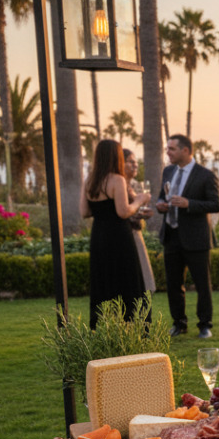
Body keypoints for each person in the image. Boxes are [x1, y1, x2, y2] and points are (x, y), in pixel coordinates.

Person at [155, 134, 219, 339]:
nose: (168, 152)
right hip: (171, 236)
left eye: (172, 149)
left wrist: (189, 204)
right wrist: (160, 205)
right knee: (174, 284)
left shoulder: (205, 175)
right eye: (167, 149)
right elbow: (161, 196)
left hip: (196, 238)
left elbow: (215, 204)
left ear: (185, 150)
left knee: (202, 284)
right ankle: (179, 323)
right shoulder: (168, 171)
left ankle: (204, 325)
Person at [81, 139, 150, 329]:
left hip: (99, 236)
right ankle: (133, 328)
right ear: (116, 156)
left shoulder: (90, 180)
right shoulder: (116, 179)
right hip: (119, 237)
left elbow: (84, 212)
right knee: (127, 281)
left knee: (103, 282)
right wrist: (140, 201)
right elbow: (123, 211)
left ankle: (102, 328)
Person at [122, 148, 156, 293]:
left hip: (136, 232)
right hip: (124, 235)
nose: (136, 165)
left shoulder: (135, 185)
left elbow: (134, 209)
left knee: (143, 278)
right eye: (131, 162)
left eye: (136, 162)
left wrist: (143, 214)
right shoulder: (117, 184)